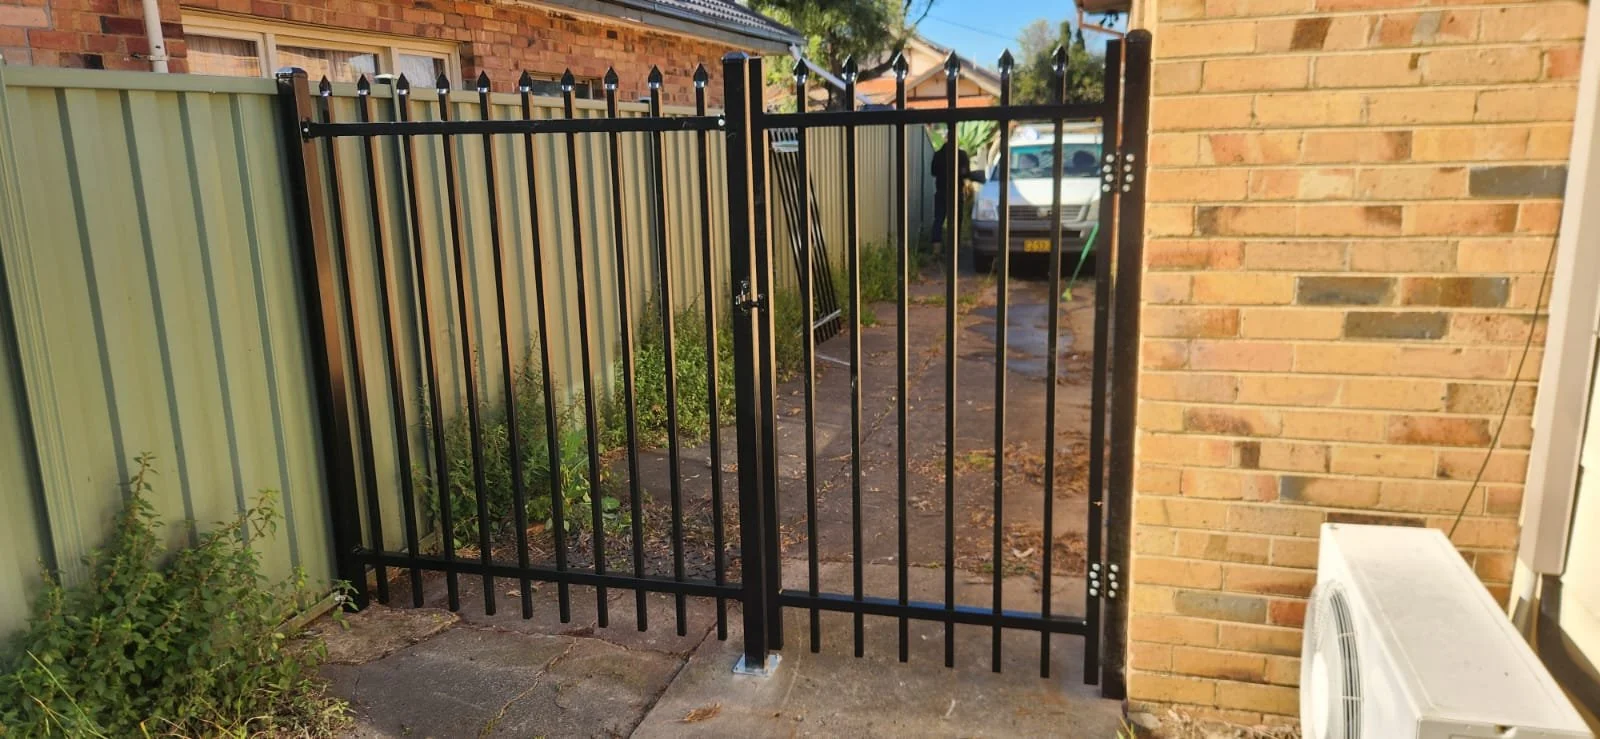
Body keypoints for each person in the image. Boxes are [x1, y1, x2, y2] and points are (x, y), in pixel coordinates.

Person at [930, 137, 971, 251]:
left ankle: (936, 249)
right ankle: (954, 247)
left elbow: (933, 171)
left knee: (938, 219)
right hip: (956, 192)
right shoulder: (961, 155)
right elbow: (966, 173)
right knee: (956, 220)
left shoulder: (938, 155)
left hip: (941, 191)